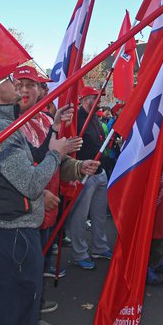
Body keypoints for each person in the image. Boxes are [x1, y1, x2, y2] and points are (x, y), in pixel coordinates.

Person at [0, 61, 75, 325]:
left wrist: (54, 128)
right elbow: (30, 183)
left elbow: (33, 157)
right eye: (7, 79)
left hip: (11, 230)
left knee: (5, 309)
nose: (15, 83)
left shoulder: (5, 122)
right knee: (17, 314)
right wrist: (57, 154)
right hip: (11, 233)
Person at [13, 65, 98, 325]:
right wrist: (40, 193)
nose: (25, 90)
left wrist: (78, 166)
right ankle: (24, 318)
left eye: (31, 85)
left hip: (45, 207)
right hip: (25, 209)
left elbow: (53, 159)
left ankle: (33, 305)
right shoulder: (12, 123)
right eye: (20, 84)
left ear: (41, 90)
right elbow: (14, 172)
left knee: (37, 262)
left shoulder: (44, 120)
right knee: (22, 270)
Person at [69, 86, 113, 271]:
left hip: (99, 172)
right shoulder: (76, 119)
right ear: (85, 99)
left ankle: (99, 247)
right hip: (84, 175)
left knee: (99, 214)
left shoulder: (95, 117)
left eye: (99, 98)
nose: (99, 101)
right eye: (95, 97)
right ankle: (80, 253)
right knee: (80, 217)